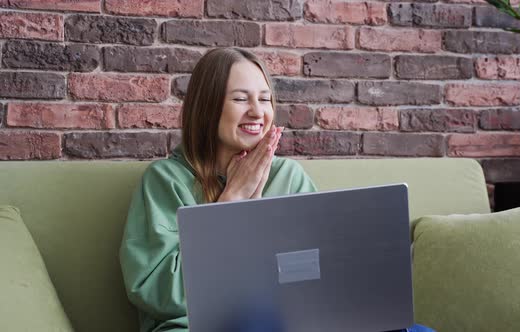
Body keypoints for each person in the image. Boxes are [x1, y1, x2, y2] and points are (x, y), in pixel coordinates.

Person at [119, 47, 433, 332]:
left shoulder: (288, 175)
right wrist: (232, 203)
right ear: (207, 107)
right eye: (241, 99)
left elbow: (316, 272)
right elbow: (155, 292)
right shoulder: (166, 181)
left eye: (265, 98)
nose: (258, 112)